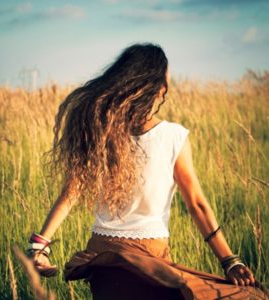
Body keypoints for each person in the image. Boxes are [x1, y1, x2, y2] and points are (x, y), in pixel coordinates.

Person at [26, 43, 268, 299]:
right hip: (150, 258)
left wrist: (38, 247)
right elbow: (196, 204)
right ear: (159, 87)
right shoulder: (173, 136)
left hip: (102, 256)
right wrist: (230, 261)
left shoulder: (102, 132)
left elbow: (70, 194)